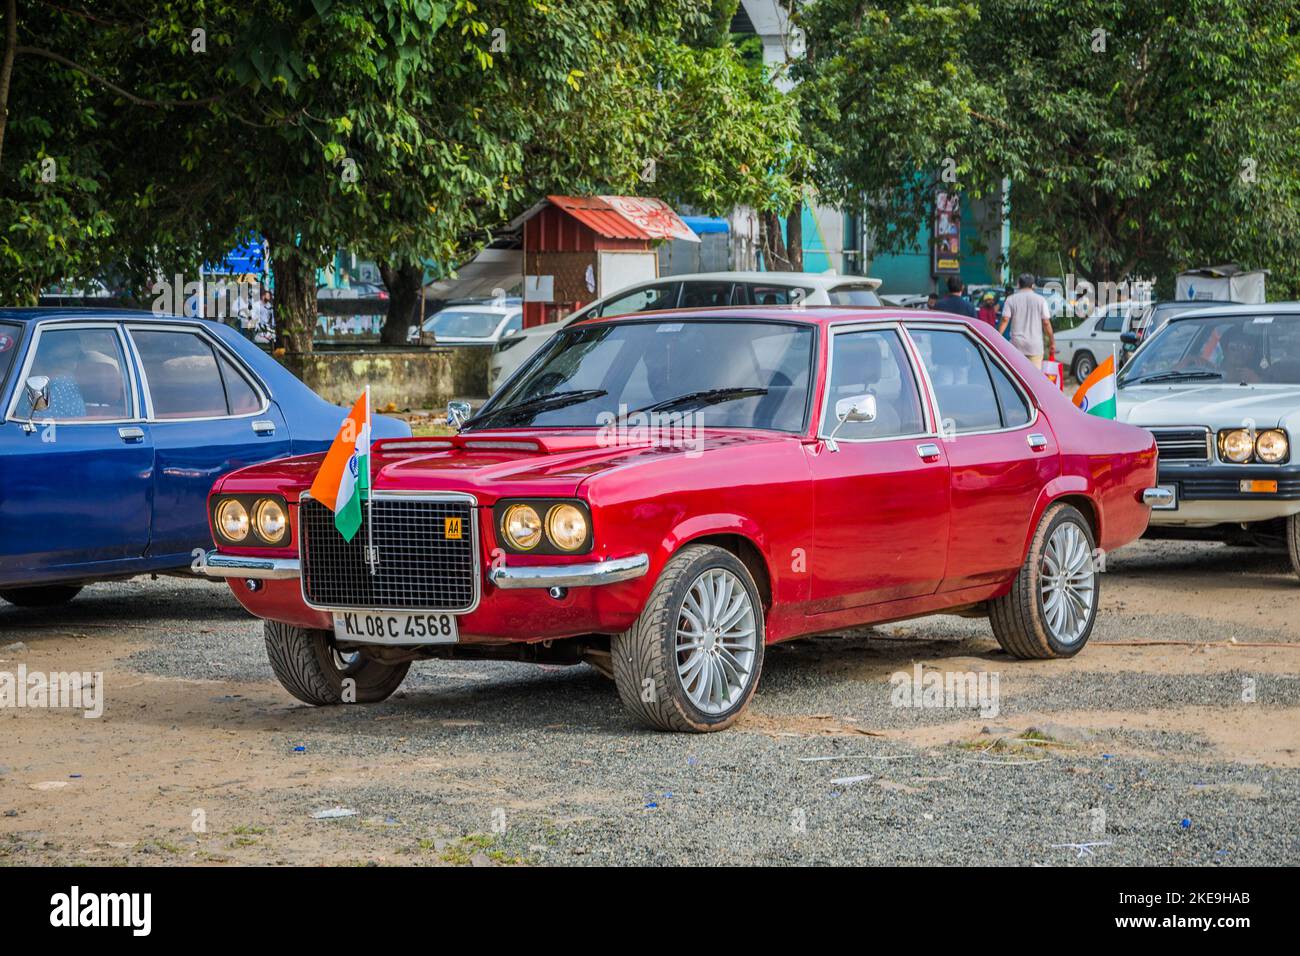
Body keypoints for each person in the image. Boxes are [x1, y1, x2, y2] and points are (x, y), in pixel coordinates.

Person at [998, 273, 1055, 368]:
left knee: (1016, 376)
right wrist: (1052, 342)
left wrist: (997, 337)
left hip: (1017, 346)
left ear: (1018, 285)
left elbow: (1005, 319)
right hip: (1035, 347)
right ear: (1033, 286)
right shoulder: (1041, 300)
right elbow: (1046, 322)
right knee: (1033, 378)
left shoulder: (1011, 299)